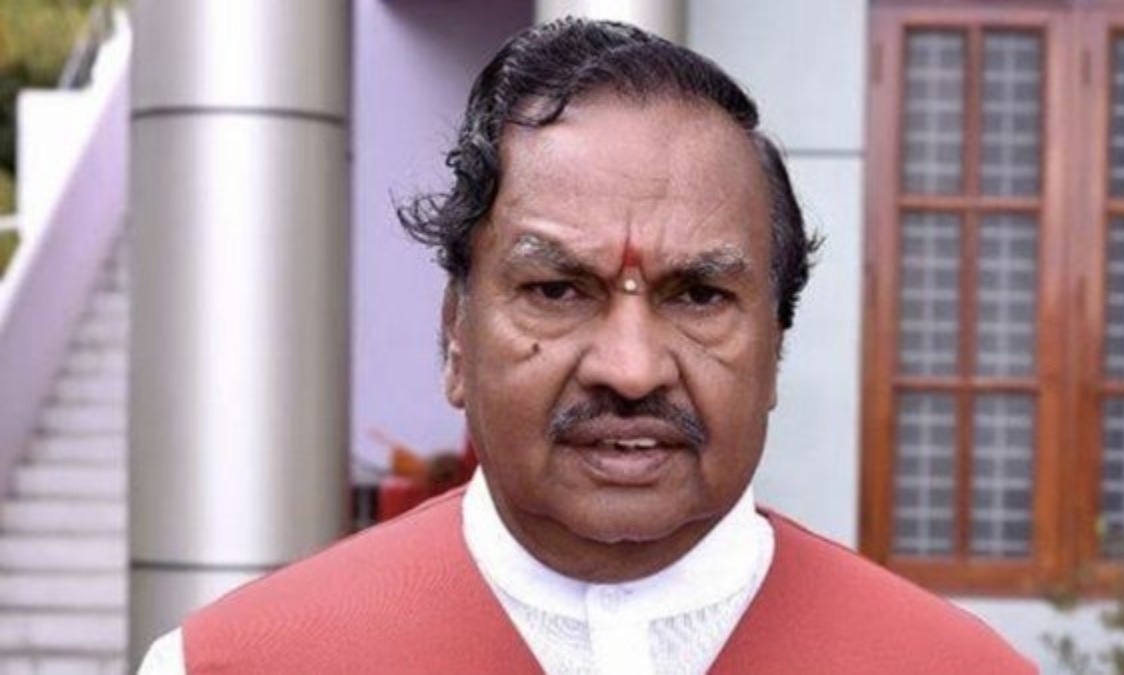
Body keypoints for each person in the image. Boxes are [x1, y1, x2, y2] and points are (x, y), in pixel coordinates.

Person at [139, 18, 1035, 674]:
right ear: (455, 338)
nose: (631, 368)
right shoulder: (230, 665)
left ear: (775, 347)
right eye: (558, 290)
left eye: (700, 295)